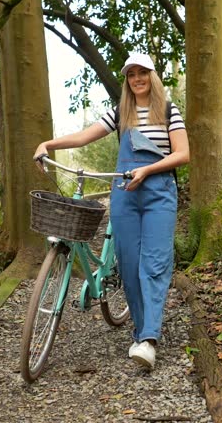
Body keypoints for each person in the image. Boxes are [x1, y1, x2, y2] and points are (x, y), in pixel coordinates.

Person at [33, 52, 189, 369]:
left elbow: (184, 154)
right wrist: (47, 144)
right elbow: (83, 136)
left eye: (142, 73)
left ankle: (148, 340)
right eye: (131, 75)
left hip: (159, 194)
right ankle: (141, 332)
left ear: (152, 76)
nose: (137, 79)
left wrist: (148, 170)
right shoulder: (121, 113)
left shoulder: (169, 112)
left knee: (153, 265)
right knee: (130, 268)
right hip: (125, 197)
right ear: (127, 81)